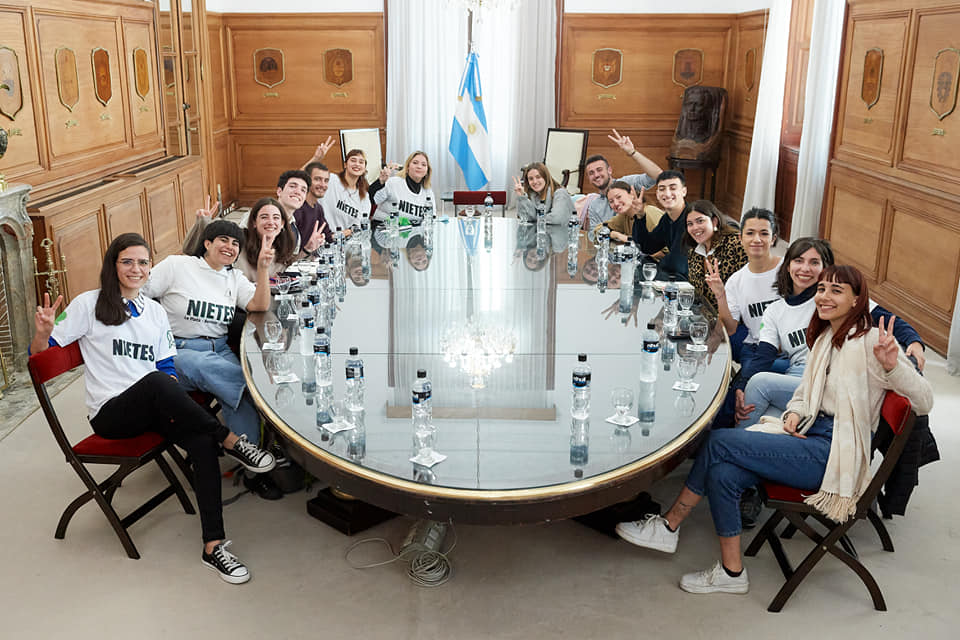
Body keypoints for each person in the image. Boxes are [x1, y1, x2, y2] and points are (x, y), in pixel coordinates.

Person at [615, 264, 933, 595]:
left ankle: (669, 524)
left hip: (833, 452)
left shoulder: (870, 343)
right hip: (810, 433)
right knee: (722, 473)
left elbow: (923, 401)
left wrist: (894, 365)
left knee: (719, 442)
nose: (824, 296)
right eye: (822, 289)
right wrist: (795, 413)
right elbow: (805, 393)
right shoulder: (826, 337)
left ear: (857, 301)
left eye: (836, 291)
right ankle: (732, 573)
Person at [30, 233, 276, 584]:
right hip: (111, 414)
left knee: (198, 440)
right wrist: (43, 332)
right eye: (127, 261)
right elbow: (38, 358)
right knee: (159, 385)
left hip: (154, 405)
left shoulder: (155, 312)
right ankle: (230, 439)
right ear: (113, 265)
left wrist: (177, 409)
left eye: (143, 262)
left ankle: (213, 546)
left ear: (150, 268)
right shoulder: (89, 305)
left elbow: (167, 369)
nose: (136, 268)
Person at [143, 220, 283, 500]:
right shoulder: (177, 266)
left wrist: (264, 268)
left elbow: (258, 306)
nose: (230, 247)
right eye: (223, 240)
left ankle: (253, 468)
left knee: (236, 394)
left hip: (218, 349)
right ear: (206, 243)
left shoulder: (234, 278)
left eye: (235, 244)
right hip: (178, 351)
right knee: (226, 375)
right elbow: (138, 292)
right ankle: (269, 396)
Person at [736, 238, 927, 427]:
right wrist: (741, 389)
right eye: (798, 261)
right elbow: (764, 356)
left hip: (829, 379)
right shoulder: (775, 311)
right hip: (797, 377)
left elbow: (891, 321)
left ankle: (733, 442)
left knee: (760, 384)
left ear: (825, 268)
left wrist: (914, 342)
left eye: (814, 263)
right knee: (760, 420)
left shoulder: (836, 299)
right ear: (787, 266)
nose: (805, 269)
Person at [705, 207, 782, 365]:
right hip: (756, 349)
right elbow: (731, 328)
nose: (757, 239)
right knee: (738, 389)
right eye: (750, 233)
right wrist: (720, 295)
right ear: (741, 238)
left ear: (773, 239)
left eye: (764, 233)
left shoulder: (788, 270)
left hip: (789, 350)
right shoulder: (736, 280)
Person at [584, 129, 663, 231]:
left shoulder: (627, 183)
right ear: (588, 178)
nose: (596, 175)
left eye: (599, 170)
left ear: (609, 170)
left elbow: (657, 176)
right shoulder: (594, 206)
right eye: (591, 173)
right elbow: (593, 235)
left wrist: (632, 152)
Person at [683, 200, 746, 310]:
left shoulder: (736, 244)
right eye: (690, 224)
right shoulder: (693, 252)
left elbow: (746, 289)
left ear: (714, 222)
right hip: (704, 317)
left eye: (700, 221)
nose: (695, 228)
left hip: (733, 316)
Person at [592, 180, 665, 258]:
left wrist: (633, 244)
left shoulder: (649, 213)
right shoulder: (624, 216)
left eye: (619, 197)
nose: (616, 203)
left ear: (632, 194)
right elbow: (598, 229)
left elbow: (665, 253)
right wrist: (616, 235)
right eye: (611, 201)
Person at [648, 170, 691, 280]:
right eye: (662, 189)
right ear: (657, 194)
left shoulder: (690, 219)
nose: (667, 194)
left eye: (673, 188)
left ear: (684, 191)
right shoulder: (667, 219)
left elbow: (677, 264)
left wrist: (662, 259)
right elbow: (649, 246)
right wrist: (639, 216)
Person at [373, 150, 436, 224]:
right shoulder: (393, 183)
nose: (419, 166)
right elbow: (372, 201)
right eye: (415, 163)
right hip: (384, 229)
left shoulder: (428, 191)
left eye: (423, 164)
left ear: (427, 171)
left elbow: (432, 217)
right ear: (408, 166)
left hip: (413, 232)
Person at [323, 148, 374, 232]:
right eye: (353, 160)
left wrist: (341, 235)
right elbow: (302, 178)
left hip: (348, 241)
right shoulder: (331, 180)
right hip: (323, 240)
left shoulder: (364, 196)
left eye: (361, 162)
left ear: (364, 168)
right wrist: (316, 158)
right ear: (345, 164)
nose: (357, 164)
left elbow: (359, 227)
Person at [293, 161, 334, 249]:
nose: (323, 185)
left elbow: (329, 237)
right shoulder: (296, 209)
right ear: (307, 181)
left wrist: (350, 232)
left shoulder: (318, 208)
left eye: (326, 180)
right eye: (317, 179)